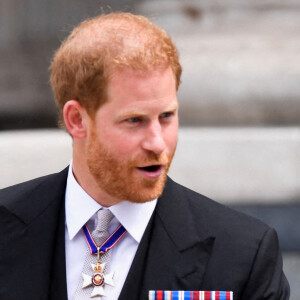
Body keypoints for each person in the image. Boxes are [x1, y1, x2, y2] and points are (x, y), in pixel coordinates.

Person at [0, 12, 289, 300]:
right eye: (134, 120)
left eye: (166, 116)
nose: (157, 143)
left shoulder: (242, 254)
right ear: (77, 120)